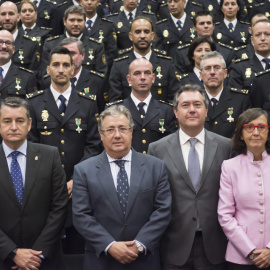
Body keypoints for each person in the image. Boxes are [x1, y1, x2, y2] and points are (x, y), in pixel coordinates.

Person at [72, 104, 171, 270]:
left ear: (131, 132)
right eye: (110, 130)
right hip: (102, 260)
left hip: (144, 259)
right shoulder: (83, 170)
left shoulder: (155, 166)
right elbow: (81, 216)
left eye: (122, 129)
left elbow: (163, 211)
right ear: (101, 135)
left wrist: (139, 244)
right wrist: (110, 245)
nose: (117, 135)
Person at [27, 46, 102, 257]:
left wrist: (75, 178)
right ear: (48, 69)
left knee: (76, 250)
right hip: (43, 187)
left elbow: (93, 145)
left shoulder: (87, 104)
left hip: (78, 188)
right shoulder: (33, 103)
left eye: (66, 65)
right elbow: (31, 143)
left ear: (73, 69)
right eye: (56, 65)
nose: (61, 69)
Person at [148, 84, 231, 270]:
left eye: (197, 104)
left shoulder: (226, 146)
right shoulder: (157, 149)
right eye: (185, 105)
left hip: (216, 245)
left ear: (206, 110)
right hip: (173, 245)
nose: (192, 110)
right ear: (175, 112)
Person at [0, 97, 68, 270]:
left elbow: (59, 207)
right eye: (7, 121)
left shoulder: (50, 156)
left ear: (29, 124)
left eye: (20, 121)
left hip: (44, 260)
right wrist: (12, 252)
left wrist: (36, 254)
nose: (13, 126)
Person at [218, 108, 270, 269]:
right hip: (240, 256)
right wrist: (251, 251)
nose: (256, 132)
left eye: (261, 127)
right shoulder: (230, 167)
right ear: (241, 134)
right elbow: (225, 215)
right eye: (249, 127)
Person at [107, 58, 177, 153]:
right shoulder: (114, 110)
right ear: (129, 79)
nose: (143, 77)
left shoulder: (167, 111)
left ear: (153, 78)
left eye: (147, 73)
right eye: (137, 73)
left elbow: (172, 147)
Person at [109, 17, 180, 103]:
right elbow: (115, 102)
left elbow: (174, 99)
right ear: (130, 36)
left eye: (146, 32)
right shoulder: (119, 65)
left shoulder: (167, 64)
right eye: (138, 32)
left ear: (152, 35)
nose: (142, 36)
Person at [39, 37, 106, 112]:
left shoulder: (97, 81)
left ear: (82, 55)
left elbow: (101, 111)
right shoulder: (48, 80)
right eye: (66, 54)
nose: (69, 58)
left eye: (72, 53)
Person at [41, 5, 107, 76]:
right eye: (72, 20)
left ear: (85, 22)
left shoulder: (96, 46)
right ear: (64, 21)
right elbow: (45, 75)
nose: (76, 24)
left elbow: (101, 76)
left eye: (79, 20)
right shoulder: (50, 45)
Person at [201, 51, 251, 138]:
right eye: (207, 68)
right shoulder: (193, 99)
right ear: (201, 75)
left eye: (217, 68)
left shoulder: (240, 99)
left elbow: (246, 133)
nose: (212, 72)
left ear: (225, 73)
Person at [228, 19, 270, 91]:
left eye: (267, 34)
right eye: (258, 35)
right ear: (252, 39)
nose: (263, 38)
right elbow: (236, 99)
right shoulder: (239, 68)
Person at [0, 1, 40, 70]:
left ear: (18, 17)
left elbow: (34, 75)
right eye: (3, 14)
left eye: (11, 14)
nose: (7, 18)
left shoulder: (31, 44)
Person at [0, 30, 37, 100]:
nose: (4, 46)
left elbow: (31, 106)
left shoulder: (27, 77)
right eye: (0, 42)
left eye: (8, 43)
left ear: (13, 49)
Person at [81, 0, 118, 68]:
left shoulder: (108, 26)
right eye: (86, 0)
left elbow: (111, 52)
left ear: (98, 2)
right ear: (81, 2)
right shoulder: (75, 26)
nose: (89, 2)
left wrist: (98, 65)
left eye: (92, 0)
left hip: (101, 71)